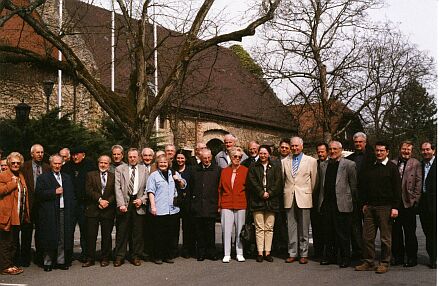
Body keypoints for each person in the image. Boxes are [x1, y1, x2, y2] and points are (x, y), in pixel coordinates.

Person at [355, 141, 400, 274]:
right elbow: (364, 187)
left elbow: (397, 189)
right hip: (370, 207)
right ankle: (368, 261)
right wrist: (364, 204)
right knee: (367, 237)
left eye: (382, 151)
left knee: (385, 238)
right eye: (377, 151)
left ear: (387, 152)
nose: (379, 153)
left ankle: (384, 262)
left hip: (385, 207)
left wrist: (395, 207)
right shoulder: (370, 167)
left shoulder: (392, 167)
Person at [317, 141, 357, 268]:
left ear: (340, 150)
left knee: (343, 233)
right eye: (330, 149)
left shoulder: (349, 165)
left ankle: (345, 257)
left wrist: (352, 202)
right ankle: (330, 256)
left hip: (342, 203)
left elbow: (353, 186)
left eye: (335, 149)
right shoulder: (323, 165)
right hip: (327, 203)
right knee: (328, 233)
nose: (332, 151)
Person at [36, 154, 76, 271]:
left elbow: (71, 195)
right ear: (50, 164)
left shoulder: (66, 177)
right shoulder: (43, 178)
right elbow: (39, 194)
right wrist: (54, 192)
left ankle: (61, 260)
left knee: (63, 237)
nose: (57, 166)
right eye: (55, 163)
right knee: (50, 236)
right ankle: (47, 262)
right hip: (50, 212)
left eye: (59, 163)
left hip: (64, 210)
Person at [283, 137, 317, 264]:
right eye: (292, 146)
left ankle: (304, 253)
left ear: (302, 146)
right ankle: (292, 253)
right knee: (291, 227)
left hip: (304, 197)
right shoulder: (285, 161)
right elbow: (283, 180)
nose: (294, 148)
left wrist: (306, 193)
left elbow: (314, 181)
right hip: (289, 197)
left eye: (297, 146)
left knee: (304, 228)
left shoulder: (311, 161)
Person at [147, 154, 186, 264]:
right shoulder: (153, 176)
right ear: (157, 164)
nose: (163, 164)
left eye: (165, 162)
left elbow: (183, 185)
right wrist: (153, 206)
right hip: (159, 209)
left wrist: (178, 180)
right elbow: (150, 191)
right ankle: (158, 256)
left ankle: (168, 255)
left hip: (172, 209)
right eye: (161, 163)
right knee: (159, 234)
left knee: (170, 234)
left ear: (168, 164)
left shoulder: (173, 173)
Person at [246, 145, 282, 262]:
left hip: (272, 200)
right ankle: (260, 252)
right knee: (259, 227)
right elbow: (252, 182)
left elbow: (278, 182)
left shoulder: (275, 166)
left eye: (265, 153)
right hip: (257, 200)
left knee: (269, 227)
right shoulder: (253, 166)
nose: (262, 155)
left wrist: (269, 193)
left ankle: (268, 252)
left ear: (269, 154)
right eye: (261, 153)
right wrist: (261, 193)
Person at [114, 148, 148, 267]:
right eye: (130, 157)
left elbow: (147, 189)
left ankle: (135, 256)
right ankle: (119, 256)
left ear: (138, 157)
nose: (132, 159)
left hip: (138, 201)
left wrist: (142, 200)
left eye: (134, 157)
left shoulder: (144, 169)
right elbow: (117, 188)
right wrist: (121, 204)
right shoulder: (120, 169)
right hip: (125, 202)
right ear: (127, 157)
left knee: (137, 232)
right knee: (122, 231)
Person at [390, 141, 422, 267]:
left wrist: (415, 200)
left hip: (408, 203)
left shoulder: (416, 163)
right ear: (400, 149)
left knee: (410, 232)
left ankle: (411, 258)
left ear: (412, 151)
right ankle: (398, 257)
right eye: (404, 149)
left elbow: (418, 183)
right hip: (396, 203)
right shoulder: (392, 163)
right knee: (396, 232)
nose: (406, 151)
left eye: (408, 149)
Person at [62, 146, 97, 262]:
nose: (75, 157)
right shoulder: (66, 167)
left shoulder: (90, 166)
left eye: (78, 154)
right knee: (68, 230)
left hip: (84, 203)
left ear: (83, 155)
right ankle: (67, 255)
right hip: (70, 204)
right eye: (73, 155)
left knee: (85, 230)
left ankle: (86, 254)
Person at [82, 155, 115, 267]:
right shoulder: (90, 175)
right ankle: (90, 258)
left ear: (109, 165)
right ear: (98, 163)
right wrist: (100, 200)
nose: (103, 165)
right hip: (93, 208)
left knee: (106, 235)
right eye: (101, 162)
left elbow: (116, 192)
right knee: (91, 235)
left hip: (108, 209)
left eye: (106, 163)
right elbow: (88, 190)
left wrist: (107, 202)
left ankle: (105, 258)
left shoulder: (113, 176)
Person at [19, 144, 50, 267]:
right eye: (37, 152)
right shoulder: (24, 166)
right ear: (32, 154)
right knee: (26, 232)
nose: (40, 155)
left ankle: (39, 257)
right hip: (28, 204)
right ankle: (25, 258)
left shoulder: (47, 167)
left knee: (41, 233)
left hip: (42, 205)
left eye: (42, 152)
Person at [346, 132, 375, 259]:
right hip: (353, 197)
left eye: (360, 142)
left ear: (365, 142)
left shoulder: (373, 157)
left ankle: (370, 252)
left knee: (370, 227)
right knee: (355, 225)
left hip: (368, 196)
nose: (358, 144)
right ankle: (358, 251)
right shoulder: (349, 158)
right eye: (356, 142)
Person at [190, 148, 221, 261]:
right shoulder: (194, 170)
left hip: (211, 205)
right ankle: (201, 252)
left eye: (208, 158)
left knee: (210, 230)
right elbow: (191, 188)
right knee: (199, 231)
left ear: (211, 158)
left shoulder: (217, 170)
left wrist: (218, 205)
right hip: (198, 205)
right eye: (204, 158)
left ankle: (211, 252)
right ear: (201, 158)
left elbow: (219, 189)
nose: (207, 160)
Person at [0, 152, 29, 275]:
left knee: (14, 242)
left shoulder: (21, 175)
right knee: (6, 242)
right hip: (7, 214)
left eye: (18, 163)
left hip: (18, 215)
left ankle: (11, 264)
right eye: (13, 163)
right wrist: (12, 184)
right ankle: (5, 266)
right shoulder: (3, 175)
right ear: (8, 163)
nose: (16, 164)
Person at [218, 147, 248, 263]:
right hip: (226, 203)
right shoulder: (224, 171)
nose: (236, 159)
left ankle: (239, 252)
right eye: (234, 156)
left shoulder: (245, 170)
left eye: (239, 157)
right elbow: (220, 189)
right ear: (230, 157)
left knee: (240, 229)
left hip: (241, 203)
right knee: (226, 229)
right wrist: (219, 205)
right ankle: (227, 253)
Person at [172, 150, 195, 258]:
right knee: (174, 226)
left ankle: (187, 249)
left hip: (187, 201)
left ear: (185, 159)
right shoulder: (172, 170)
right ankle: (174, 249)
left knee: (188, 227)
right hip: (175, 201)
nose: (180, 160)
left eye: (182, 158)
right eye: (178, 158)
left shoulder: (190, 170)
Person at [419, 141, 436, 269]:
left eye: (428, 149)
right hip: (424, 204)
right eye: (423, 150)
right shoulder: (419, 165)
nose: (425, 152)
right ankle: (433, 258)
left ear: (433, 150)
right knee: (428, 233)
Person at [311, 142, 328, 259]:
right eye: (319, 152)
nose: (320, 154)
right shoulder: (314, 164)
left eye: (323, 151)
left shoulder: (332, 164)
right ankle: (318, 251)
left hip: (328, 200)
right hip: (314, 199)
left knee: (327, 228)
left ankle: (328, 252)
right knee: (316, 227)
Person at [141, 147, 156, 260]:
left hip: (154, 202)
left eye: (149, 156)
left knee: (153, 228)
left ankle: (152, 251)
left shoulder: (157, 167)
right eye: (145, 155)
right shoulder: (139, 167)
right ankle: (142, 251)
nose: (147, 158)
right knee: (141, 228)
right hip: (140, 201)